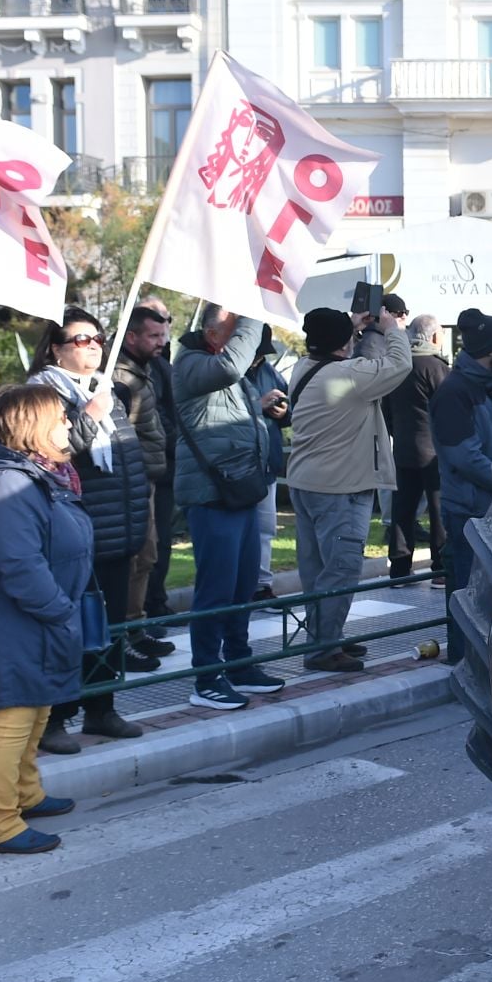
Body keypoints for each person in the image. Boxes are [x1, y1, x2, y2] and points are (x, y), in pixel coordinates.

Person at [0, 385, 94, 857]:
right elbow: (18, 562)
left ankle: (26, 793)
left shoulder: (39, 473)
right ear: (34, 427)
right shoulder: (10, 483)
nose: (69, 425)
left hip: (38, 614)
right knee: (9, 718)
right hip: (17, 616)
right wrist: (58, 608)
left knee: (36, 708)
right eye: (60, 417)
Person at [27, 309, 150, 753]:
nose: (94, 345)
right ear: (55, 349)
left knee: (108, 626)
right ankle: (55, 718)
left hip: (116, 528)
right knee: (71, 629)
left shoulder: (103, 389)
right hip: (76, 534)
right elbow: (48, 453)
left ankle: (102, 707)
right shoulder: (43, 393)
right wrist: (89, 416)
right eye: (81, 339)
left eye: (97, 337)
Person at [287, 305, 411, 672]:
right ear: (343, 343)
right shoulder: (348, 376)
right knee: (341, 568)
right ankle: (323, 650)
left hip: (306, 482)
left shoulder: (304, 369)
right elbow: (399, 365)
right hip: (340, 488)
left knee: (316, 571)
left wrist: (352, 329)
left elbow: (341, 363)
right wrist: (391, 328)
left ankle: (325, 636)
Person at [173, 305, 284, 710]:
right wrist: (253, 308)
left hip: (239, 489)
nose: (242, 337)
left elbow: (225, 415)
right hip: (211, 493)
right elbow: (231, 367)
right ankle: (206, 677)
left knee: (242, 585)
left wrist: (262, 409)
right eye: (235, 328)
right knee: (216, 589)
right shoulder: (192, 362)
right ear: (212, 333)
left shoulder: (217, 364)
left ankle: (238, 662)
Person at [431, 309, 492, 621]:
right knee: (472, 602)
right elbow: (465, 457)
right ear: (489, 349)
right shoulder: (455, 392)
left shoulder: (491, 387)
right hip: (471, 512)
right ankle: (463, 651)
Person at [115, 306, 177, 662]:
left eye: (162, 335)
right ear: (131, 336)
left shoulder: (146, 369)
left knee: (147, 557)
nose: (161, 342)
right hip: (130, 481)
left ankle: (136, 628)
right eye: (153, 336)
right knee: (134, 558)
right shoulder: (120, 376)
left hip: (148, 478)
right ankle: (123, 637)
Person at [386, 313, 449, 582]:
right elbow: (447, 410)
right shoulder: (436, 367)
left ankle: (399, 568)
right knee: (439, 510)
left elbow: (386, 410)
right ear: (434, 336)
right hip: (434, 452)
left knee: (402, 509)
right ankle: (440, 568)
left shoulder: (397, 366)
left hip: (403, 447)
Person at [136, 295, 180, 629]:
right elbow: (156, 415)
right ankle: (144, 611)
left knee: (160, 542)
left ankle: (155, 603)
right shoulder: (134, 368)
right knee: (146, 546)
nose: (162, 336)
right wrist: (171, 440)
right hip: (145, 469)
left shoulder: (160, 364)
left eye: (166, 325)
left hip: (164, 468)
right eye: (155, 329)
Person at [247, 324, 290, 602]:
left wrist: (284, 412)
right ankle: (242, 586)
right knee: (240, 531)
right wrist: (257, 406)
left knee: (265, 528)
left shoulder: (270, 371)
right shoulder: (226, 371)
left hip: (267, 464)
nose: (259, 358)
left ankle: (262, 585)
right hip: (240, 463)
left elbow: (290, 408)